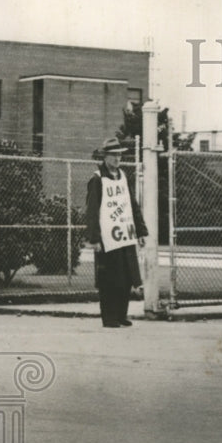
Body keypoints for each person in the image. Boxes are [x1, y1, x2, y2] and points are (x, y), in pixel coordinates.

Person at [85, 137, 148, 328]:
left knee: (126, 277)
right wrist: (94, 238)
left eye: (119, 154)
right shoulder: (97, 179)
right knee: (109, 278)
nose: (117, 158)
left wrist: (141, 231)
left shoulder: (123, 176)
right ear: (105, 156)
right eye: (113, 155)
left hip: (125, 235)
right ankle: (109, 317)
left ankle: (121, 315)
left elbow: (132, 205)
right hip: (107, 239)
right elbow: (92, 210)